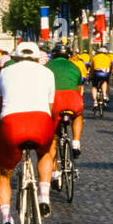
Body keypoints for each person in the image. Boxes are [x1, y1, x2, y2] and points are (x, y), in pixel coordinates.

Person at [0, 42, 57, 224]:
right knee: (47, 152)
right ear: (38, 57)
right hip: (40, 122)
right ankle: (44, 197)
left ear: (16, 57)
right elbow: (50, 108)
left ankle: (6, 220)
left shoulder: (5, 72)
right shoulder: (47, 73)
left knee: (3, 173)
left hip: (12, 125)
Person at [46, 41, 85, 180]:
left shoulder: (46, 67)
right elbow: (80, 89)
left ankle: (55, 173)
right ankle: (76, 142)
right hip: (73, 99)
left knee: (53, 138)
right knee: (78, 115)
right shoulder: (75, 66)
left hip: (55, 101)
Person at [90, 44, 113, 109]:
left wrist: (90, 73)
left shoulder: (95, 57)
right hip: (105, 73)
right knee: (105, 82)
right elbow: (111, 66)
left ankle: (95, 102)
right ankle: (104, 95)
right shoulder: (108, 57)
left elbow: (92, 67)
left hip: (97, 72)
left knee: (94, 86)